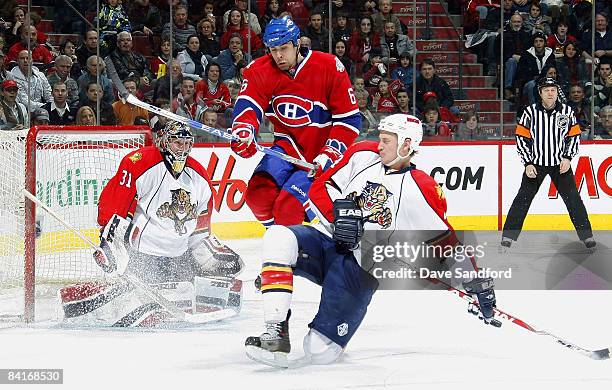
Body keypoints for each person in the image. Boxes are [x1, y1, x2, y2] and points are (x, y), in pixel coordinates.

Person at [245, 114, 499, 367]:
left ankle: (327, 331)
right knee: (278, 237)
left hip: (360, 270)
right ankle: (276, 333)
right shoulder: (361, 154)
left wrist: (475, 282)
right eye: (380, 139)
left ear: (406, 145)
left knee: (319, 353)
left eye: (386, 141)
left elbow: (445, 244)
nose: (379, 145)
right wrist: (339, 217)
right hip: (327, 244)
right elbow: (321, 186)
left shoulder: (421, 188)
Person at [59, 121, 244, 326]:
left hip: (179, 257)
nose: (182, 149)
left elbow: (200, 229)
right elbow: (115, 208)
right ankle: (107, 299)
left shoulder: (199, 176)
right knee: (137, 290)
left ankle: (198, 296)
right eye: (176, 143)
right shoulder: (140, 163)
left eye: (186, 143)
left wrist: (209, 259)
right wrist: (109, 244)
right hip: (141, 256)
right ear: (165, 142)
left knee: (226, 262)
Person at [230, 16, 361, 227]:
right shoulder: (259, 70)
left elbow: (350, 120)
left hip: (321, 153)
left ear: (297, 43)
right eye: (273, 50)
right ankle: (282, 244)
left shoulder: (328, 66)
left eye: (284, 48)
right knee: (258, 195)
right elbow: (249, 105)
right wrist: (244, 131)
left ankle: (297, 250)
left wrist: (330, 154)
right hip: (287, 147)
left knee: (289, 206)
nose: (279, 56)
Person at [501, 77, 595, 250]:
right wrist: (527, 162)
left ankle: (587, 236)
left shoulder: (567, 111)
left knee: (574, 200)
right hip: (536, 164)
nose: (550, 93)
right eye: (546, 90)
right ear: (540, 93)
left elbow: (573, 137)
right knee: (523, 199)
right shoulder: (530, 112)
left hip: (560, 164)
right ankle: (508, 236)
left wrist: (567, 157)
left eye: (552, 90)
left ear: (556, 91)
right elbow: (521, 138)